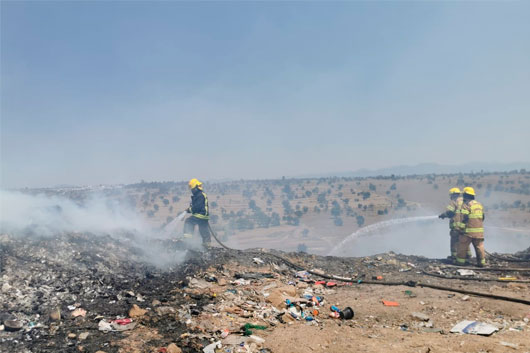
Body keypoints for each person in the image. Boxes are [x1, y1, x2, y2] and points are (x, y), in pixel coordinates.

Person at [456, 186, 486, 267]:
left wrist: (460, 229)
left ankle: (460, 262)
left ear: (465, 195)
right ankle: (481, 263)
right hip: (479, 232)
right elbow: (483, 217)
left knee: (462, 246)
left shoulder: (466, 205)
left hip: (468, 231)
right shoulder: (479, 205)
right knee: (479, 247)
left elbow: (464, 218)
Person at [438, 187, 467, 260]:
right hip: (465, 227)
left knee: (454, 242)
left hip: (456, 227)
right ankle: (467, 256)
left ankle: (454, 257)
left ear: (453, 194)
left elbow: (450, 212)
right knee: (464, 242)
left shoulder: (453, 201)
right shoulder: (464, 201)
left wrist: (443, 215)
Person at [183, 178, 211, 247]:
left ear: (196, 187)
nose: (192, 190)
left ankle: (187, 240)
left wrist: (189, 210)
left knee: (189, 221)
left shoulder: (200, 195)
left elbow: (197, 207)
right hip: (204, 215)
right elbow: (195, 206)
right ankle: (207, 245)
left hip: (200, 215)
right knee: (203, 229)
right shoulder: (199, 195)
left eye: (192, 189)